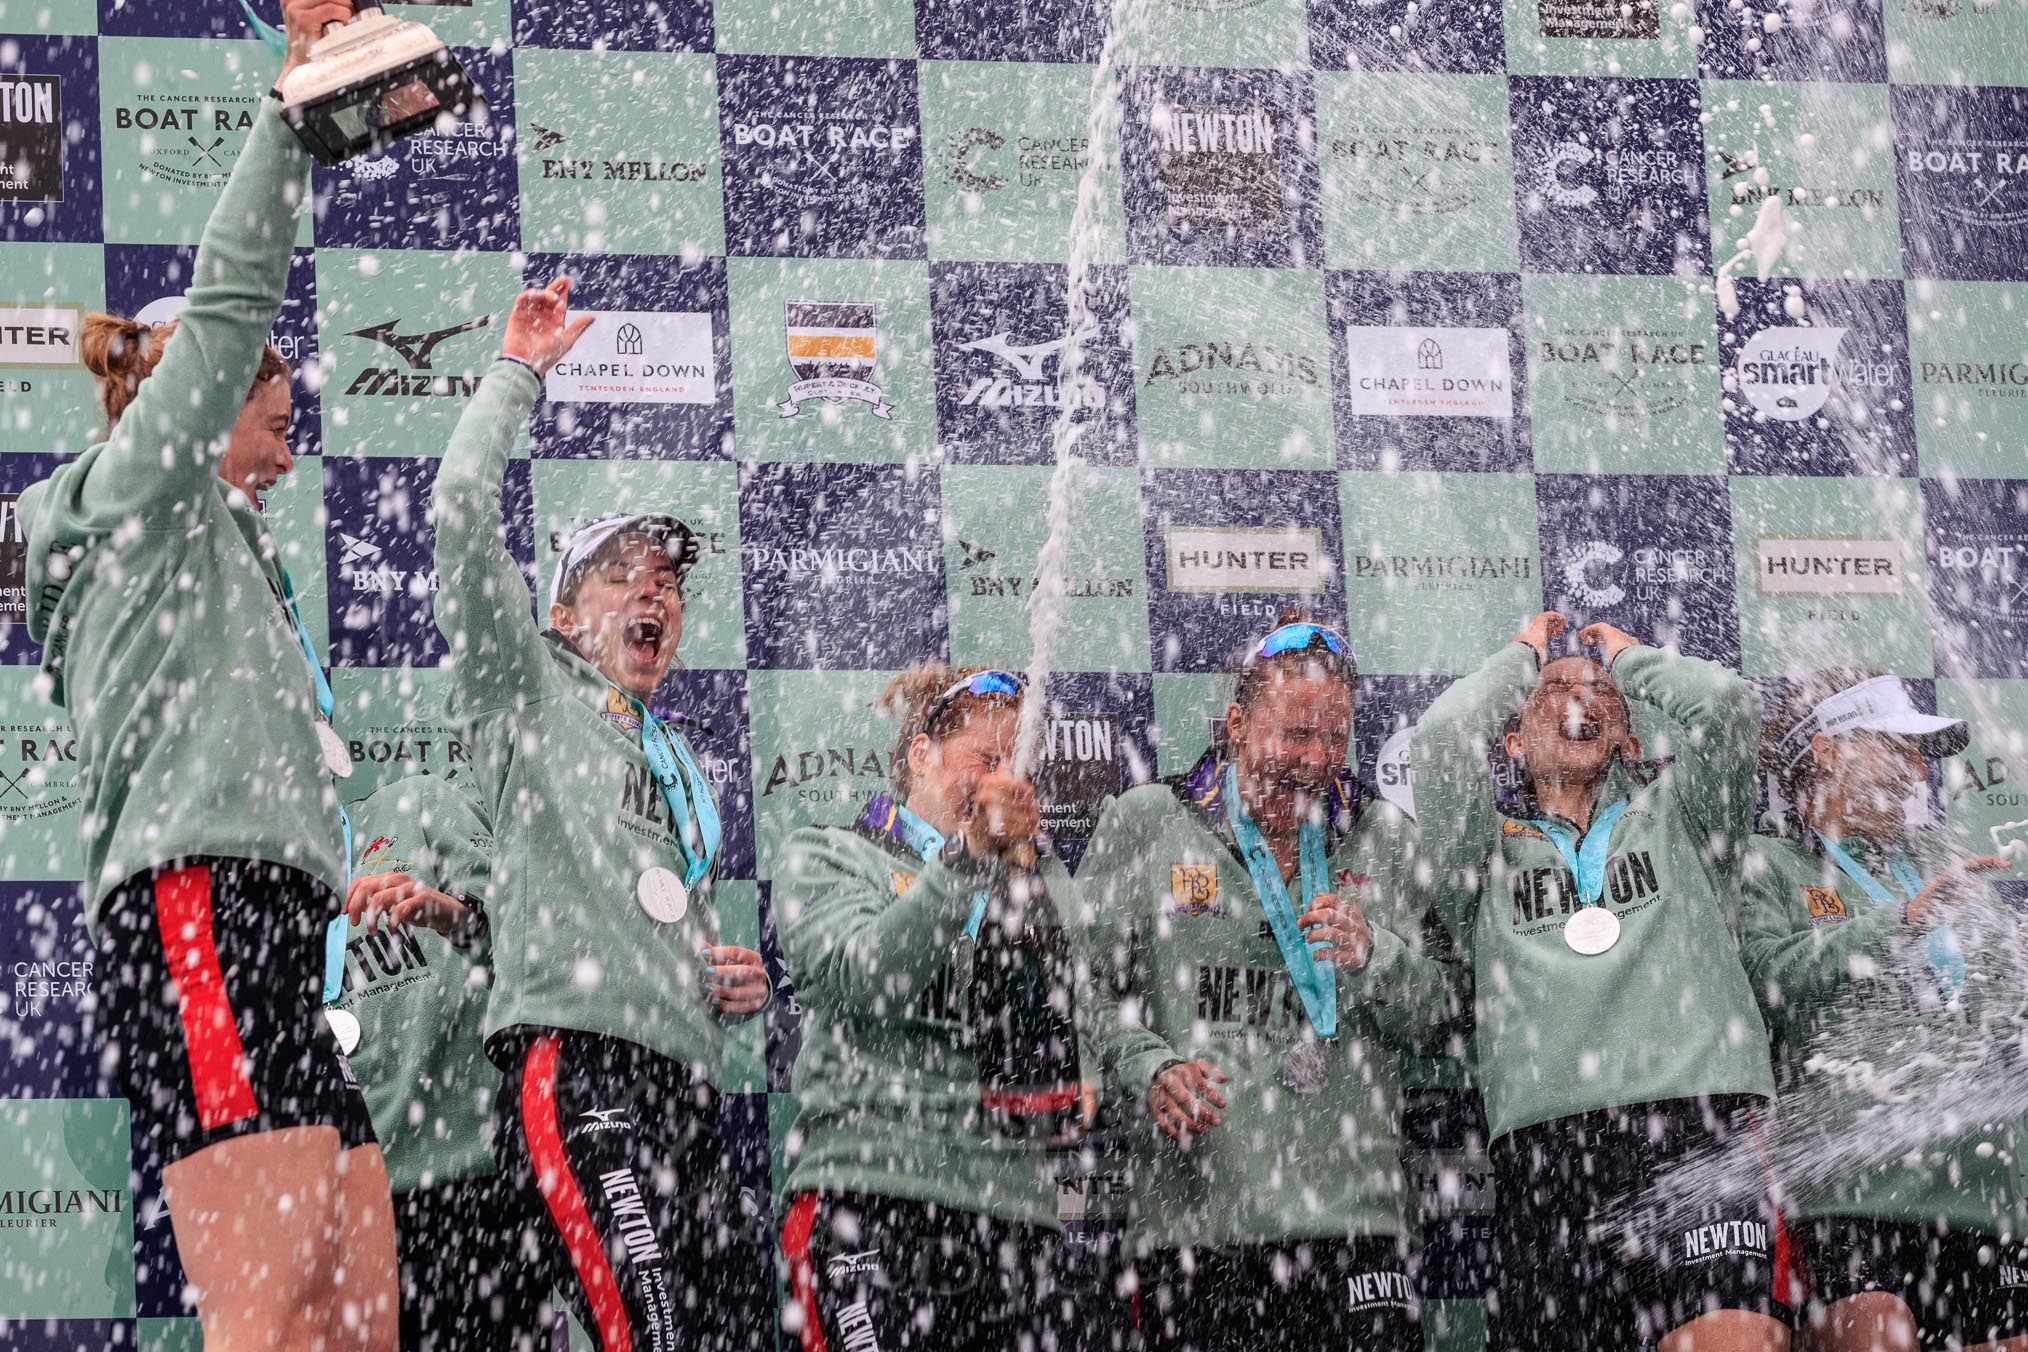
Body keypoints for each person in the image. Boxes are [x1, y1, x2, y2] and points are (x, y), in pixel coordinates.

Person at [15, 2, 398, 1346]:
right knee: (271, 1310)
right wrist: (298, 111)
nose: (290, 456)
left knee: (357, 1308)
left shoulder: (225, 554)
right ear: (197, 395)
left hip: (272, 926)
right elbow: (233, 294)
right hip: (198, 911)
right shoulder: (133, 493)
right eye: (274, 421)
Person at [430, 277, 770, 1352]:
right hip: (579, 1068)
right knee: (651, 1331)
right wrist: (518, 372)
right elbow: (454, 509)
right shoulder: (523, 684)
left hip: (687, 1085)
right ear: (565, 614)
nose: (656, 593)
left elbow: (660, 916)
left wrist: (726, 975)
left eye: (670, 580)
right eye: (625, 574)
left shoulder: (680, 763)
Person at [1072, 615, 1462, 1352]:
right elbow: (1082, 993)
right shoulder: (1150, 823)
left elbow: (1443, 1013)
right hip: (1199, 1226)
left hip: (1358, 1223)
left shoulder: (1385, 838)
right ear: (1237, 724)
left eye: (1335, 738)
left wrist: (1377, 955)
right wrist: (1149, 1067)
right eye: (1294, 735)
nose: (1316, 761)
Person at [1411, 612, 1786, 1352]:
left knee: (1733, 1341)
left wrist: (1630, 659)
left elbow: (1729, 706)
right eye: (1550, 693)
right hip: (1547, 1156)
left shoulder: (1685, 819)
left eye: (1598, 695)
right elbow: (1440, 739)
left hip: (1697, 1123)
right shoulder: (1480, 853)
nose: (1575, 701)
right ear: (1513, 742)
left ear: (1630, 739)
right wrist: (1524, 657)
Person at [776, 665, 1103, 1351]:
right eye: (984, 760)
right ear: (920, 755)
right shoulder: (833, 853)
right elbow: (864, 976)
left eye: (1012, 766)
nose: (998, 782)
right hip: (872, 1194)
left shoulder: (1043, 885)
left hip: (1020, 1216)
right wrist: (965, 859)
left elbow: (1092, 1022)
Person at [1743, 669, 2026, 1352]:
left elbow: (2005, 1003)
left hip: (1983, 1181)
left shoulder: (1939, 854)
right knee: (1878, 1337)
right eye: (1896, 749)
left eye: (1918, 755)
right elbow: (1767, 980)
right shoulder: (1771, 863)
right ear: (1830, 751)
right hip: (1857, 1186)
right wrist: (1898, 920)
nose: (1914, 773)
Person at [336, 771, 550, 1351]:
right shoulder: (266, 878)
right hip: (346, 1213)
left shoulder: (417, 803)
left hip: (472, 1188)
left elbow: (528, 939)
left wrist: (451, 916)